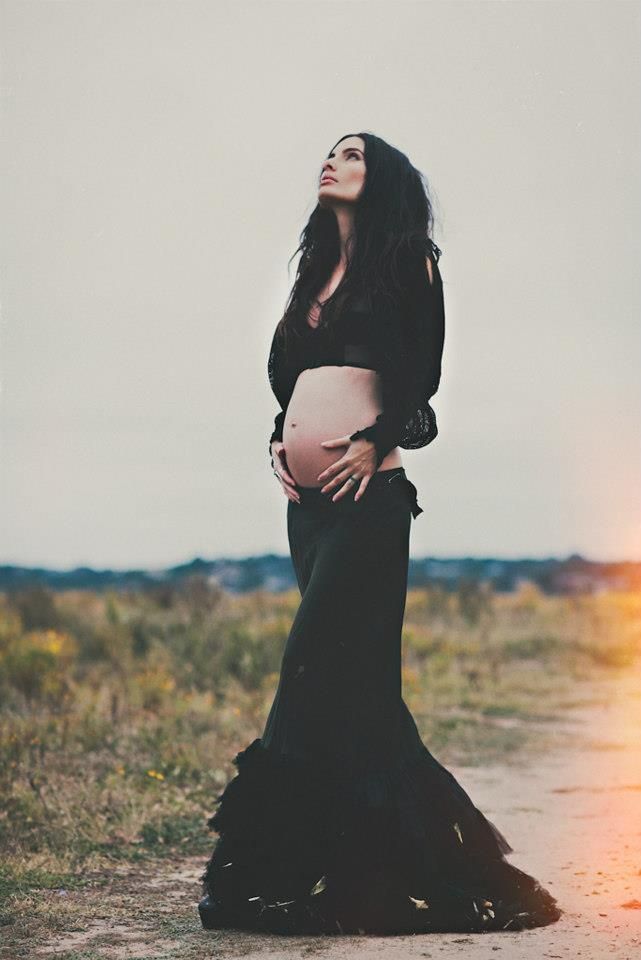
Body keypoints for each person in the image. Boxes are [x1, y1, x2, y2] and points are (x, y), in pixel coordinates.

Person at [197, 132, 562, 935]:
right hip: (307, 511)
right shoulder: (311, 274)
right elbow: (292, 378)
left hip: (368, 501)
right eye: (331, 153)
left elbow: (420, 381)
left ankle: (260, 871)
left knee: (308, 668)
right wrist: (278, 437)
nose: (332, 162)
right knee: (360, 700)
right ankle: (368, 875)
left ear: (384, 177)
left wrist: (367, 441)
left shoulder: (407, 263)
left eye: (353, 154)